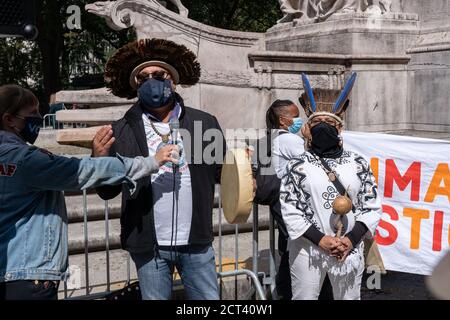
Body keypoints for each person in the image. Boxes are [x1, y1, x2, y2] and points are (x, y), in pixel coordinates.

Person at [0, 84, 178, 300]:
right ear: (9, 120)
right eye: (32, 114)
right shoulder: (27, 160)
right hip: (27, 275)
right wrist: (151, 162)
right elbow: (82, 171)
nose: (39, 118)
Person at [94, 38, 226, 300]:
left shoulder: (203, 122)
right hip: (148, 245)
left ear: (172, 80)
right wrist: (100, 159)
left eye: (158, 74)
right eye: (143, 78)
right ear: (136, 86)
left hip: (196, 242)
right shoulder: (120, 129)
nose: (151, 81)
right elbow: (106, 191)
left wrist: (246, 168)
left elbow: (222, 172)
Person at [279, 73, 382, 300]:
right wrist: (321, 240)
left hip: (349, 250)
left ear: (340, 129)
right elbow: (290, 209)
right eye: (316, 123)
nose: (323, 127)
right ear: (307, 128)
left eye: (330, 123)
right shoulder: (296, 165)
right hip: (308, 249)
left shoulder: (358, 163)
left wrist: (350, 240)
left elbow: (371, 206)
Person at [254, 99, 333, 300]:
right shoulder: (288, 140)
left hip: (280, 204)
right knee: (298, 248)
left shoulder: (268, 139)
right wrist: (308, 138)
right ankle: (289, 288)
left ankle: (285, 288)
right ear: (283, 120)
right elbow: (315, 162)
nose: (300, 120)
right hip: (292, 203)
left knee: (290, 246)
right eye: (295, 115)